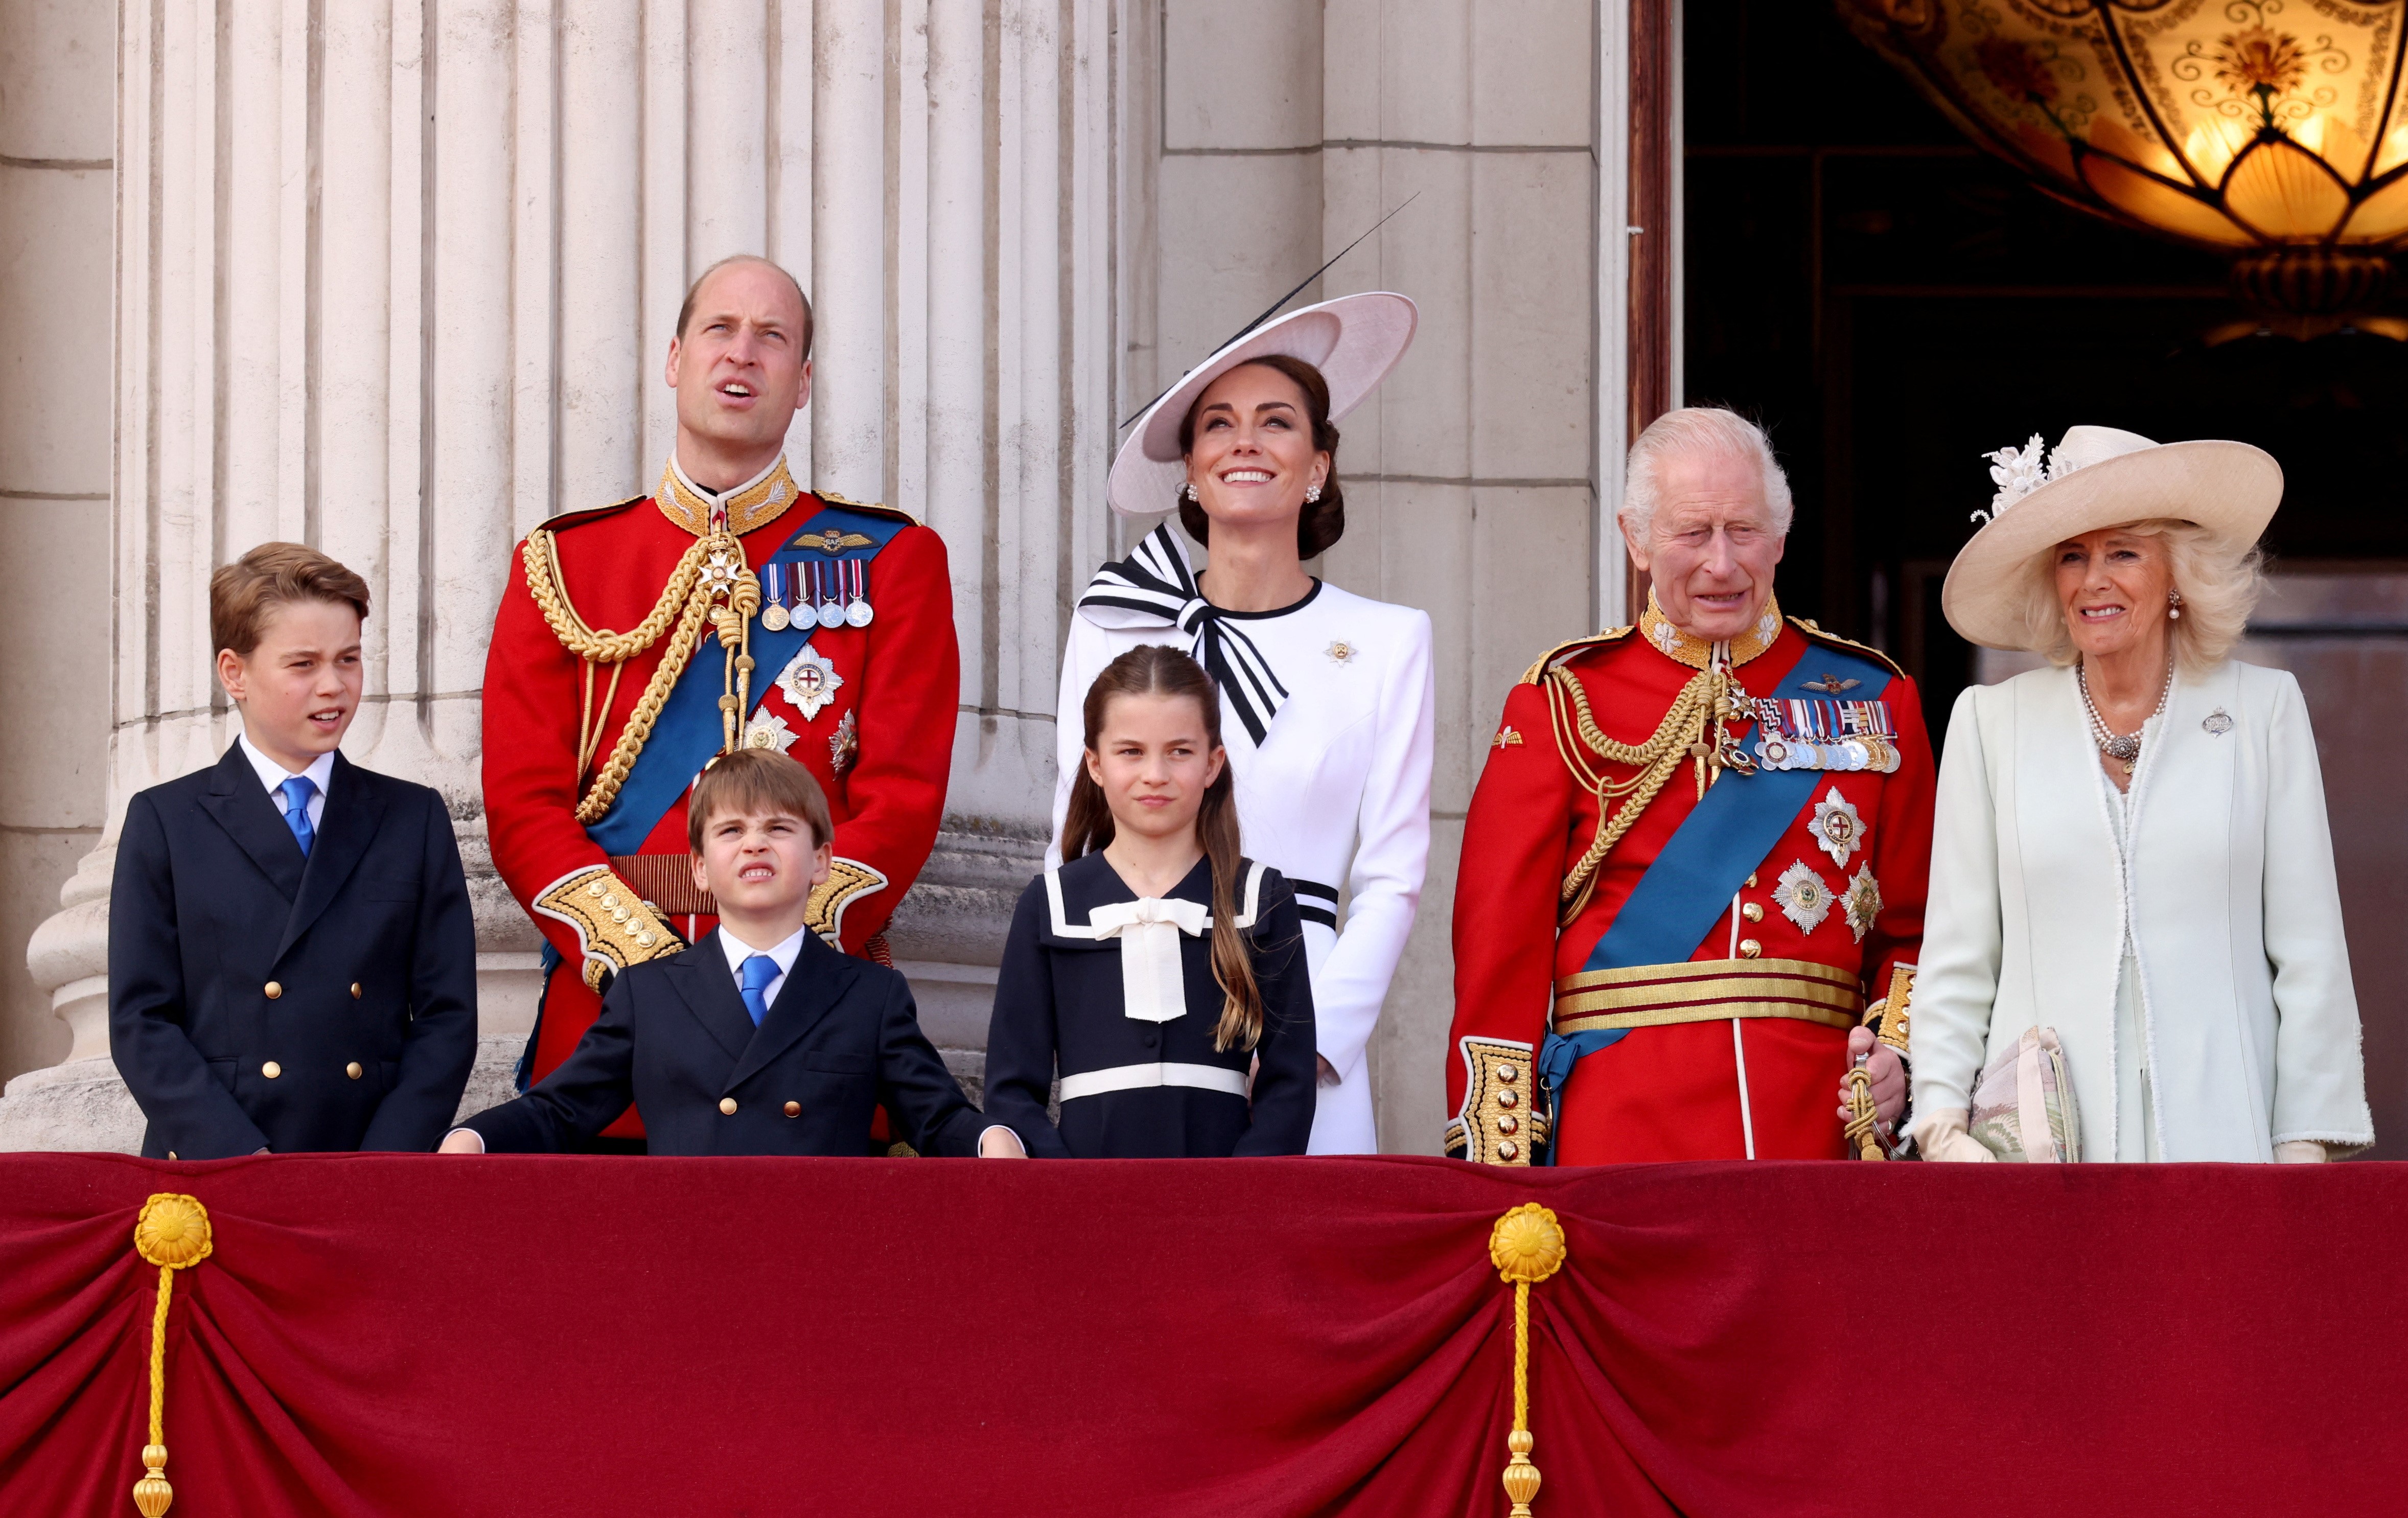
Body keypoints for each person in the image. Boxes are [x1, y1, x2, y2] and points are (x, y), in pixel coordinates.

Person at [481, 254, 959, 1151]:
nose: (743, 355)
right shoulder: (563, 565)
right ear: (674, 360)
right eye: (720, 331)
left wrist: (784, 954)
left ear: (803, 381)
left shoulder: (894, 561)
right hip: (612, 1027)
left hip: (812, 1024)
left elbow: (900, 800)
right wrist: (651, 970)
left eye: (772, 337)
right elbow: (522, 803)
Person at [1446, 408, 1935, 1165]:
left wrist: (1897, 1058)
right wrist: (1499, 1169)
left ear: (1780, 535)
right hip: (1618, 1136)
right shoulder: (1562, 701)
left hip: (1814, 1136)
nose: (1721, 563)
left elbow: (1916, 930)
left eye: (1743, 530)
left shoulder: (1875, 698)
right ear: (1636, 539)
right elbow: (1499, 957)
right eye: (1691, 533)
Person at [1911, 426, 2372, 1163]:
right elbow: (1959, 954)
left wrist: (2302, 1147)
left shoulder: (2264, 710)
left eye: (2123, 552)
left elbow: (2309, 950)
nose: (2095, 579)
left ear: (2177, 575)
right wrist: (1941, 1125)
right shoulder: (1991, 722)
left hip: (2227, 1146)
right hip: (2038, 1158)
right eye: (2073, 555)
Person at [1054, 292, 1430, 1154]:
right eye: (1217, 424)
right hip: (1136, 993)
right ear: (1189, 464)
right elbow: (1070, 843)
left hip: (1304, 994)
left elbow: (1392, 876)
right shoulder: (1114, 622)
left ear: (1318, 463)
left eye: (1276, 422)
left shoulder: (1388, 640)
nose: (1245, 442)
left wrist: (1314, 1046)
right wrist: (1087, 1018)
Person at [109, 544, 478, 1158]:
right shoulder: (166, 821)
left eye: (349, 659)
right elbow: (140, 1021)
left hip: (368, 1162)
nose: (333, 686)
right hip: (219, 1167)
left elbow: (447, 1017)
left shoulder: (412, 818)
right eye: (303, 664)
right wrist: (234, 1155)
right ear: (235, 673)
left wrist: (385, 1161)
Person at [441, 749, 991, 1157]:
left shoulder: (870, 995)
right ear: (700, 869)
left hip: (819, 1255)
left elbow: (936, 1117)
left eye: (779, 827)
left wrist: (993, 1139)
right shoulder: (649, 993)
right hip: (686, 1253)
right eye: (731, 830)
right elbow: (562, 1109)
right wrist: (474, 1137)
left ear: (822, 861)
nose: (755, 843)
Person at [985, 647, 1316, 1158]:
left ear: (1213, 763)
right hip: (1083, 1206)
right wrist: (1065, 1190)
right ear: (1094, 764)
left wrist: (1243, 1197)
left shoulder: (1260, 899)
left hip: (1226, 1209)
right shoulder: (1049, 904)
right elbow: (1011, 1092)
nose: (1155, 773)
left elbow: (1289, 1085)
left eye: (1179, 751)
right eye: (1130, 752)